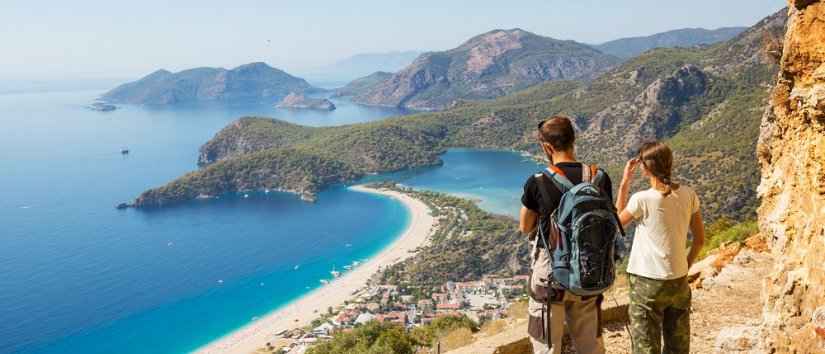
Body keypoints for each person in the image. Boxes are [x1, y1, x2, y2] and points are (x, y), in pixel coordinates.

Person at [519, 115, 612, 354]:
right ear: (573, 141)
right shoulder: (599, 177)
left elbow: (525, 226)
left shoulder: (537, 182)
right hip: (588, 272)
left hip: (550, 278)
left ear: (547, 147)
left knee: (547, 347)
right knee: (589, 347)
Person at [615, 141, 706, 354]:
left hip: (647, 282)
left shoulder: (642, 199)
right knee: (678, 347)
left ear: (645, 169)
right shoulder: (689, 194)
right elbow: (700, 239)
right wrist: (685, 264)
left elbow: (618, 224)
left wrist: (625, 182)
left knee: (646, 347)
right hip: (679, 280)